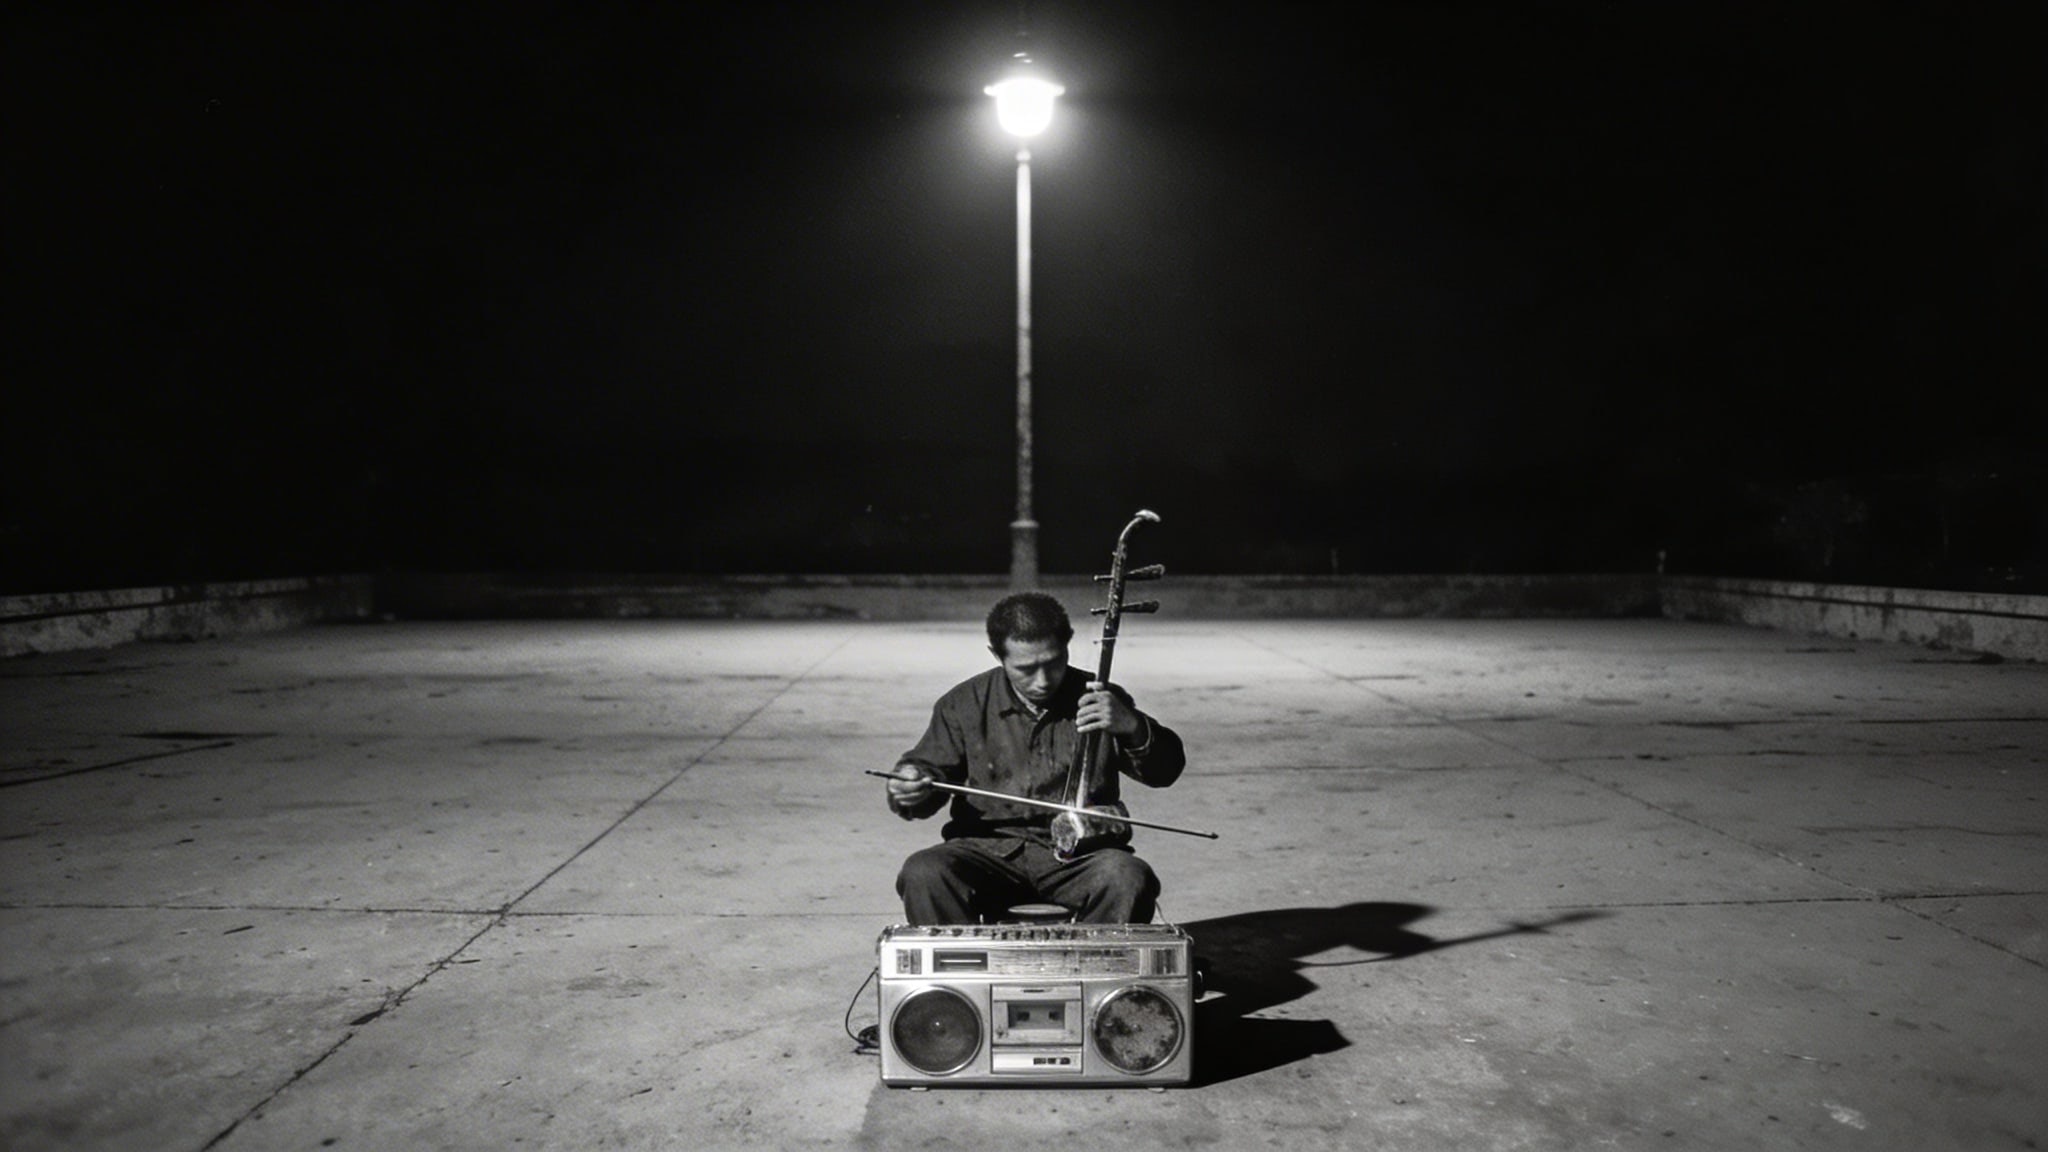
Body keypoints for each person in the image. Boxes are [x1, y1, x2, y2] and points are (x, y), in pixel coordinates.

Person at [886, 591, 1187, 925]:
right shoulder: (963, 703)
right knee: (924, 872)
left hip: (1081, 855)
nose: (1042, 681)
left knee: (1128, 876)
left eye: (1054, 663)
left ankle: (1094, 958)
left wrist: (1132, 726)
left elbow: (1165, 773)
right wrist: (911, 785)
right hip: (987, 850)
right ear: (997, 655)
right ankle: (962, 960)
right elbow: (926, 771)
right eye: (1026, 669)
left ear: (1067, 645)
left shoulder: (1101, 697)